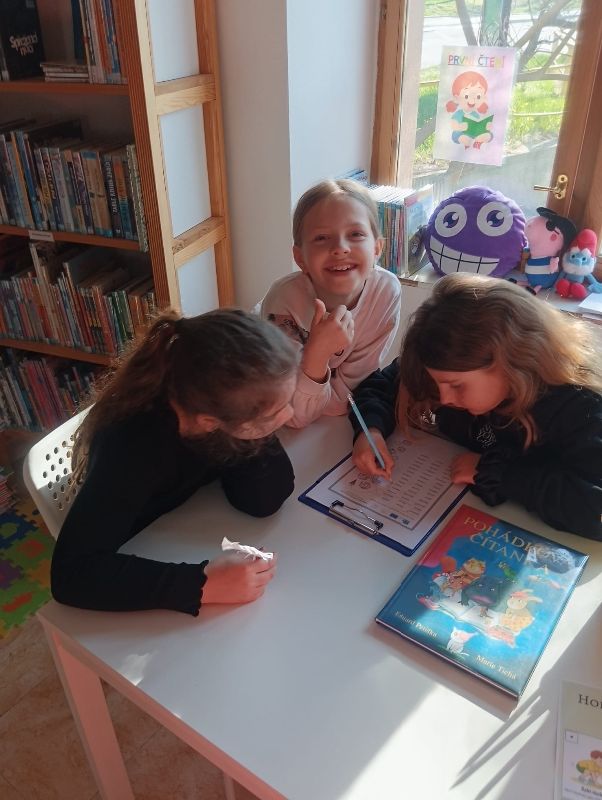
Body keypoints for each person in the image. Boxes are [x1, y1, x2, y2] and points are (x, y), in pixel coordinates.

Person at [51, 309, 299, 615]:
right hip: (135, 548)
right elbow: (71, 576)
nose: (290, 414)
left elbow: (264, 499)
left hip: (181, 524)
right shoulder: (132, 448)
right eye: (277, 412)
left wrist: (261, 424)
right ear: (209, 422)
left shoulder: (213, 405)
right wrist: (202, 585)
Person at [350, 273, 602, 539]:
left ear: (512, 363)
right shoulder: (445, 368)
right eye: (437, 384)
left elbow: (595, 510)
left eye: (456, 386)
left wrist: (497, 474)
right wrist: (370, 430)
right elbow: (380, 385)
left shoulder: (577, 407)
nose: (443, 398)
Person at [258, 178, 401, 428]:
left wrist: (316, 391)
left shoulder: (385, 292)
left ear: (377, 248)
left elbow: (343, 400)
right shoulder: (283, 301)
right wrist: (318, 353)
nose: (340, 248)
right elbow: (293, 415)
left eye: (355, 234)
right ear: (300, 257)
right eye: (322, 237)